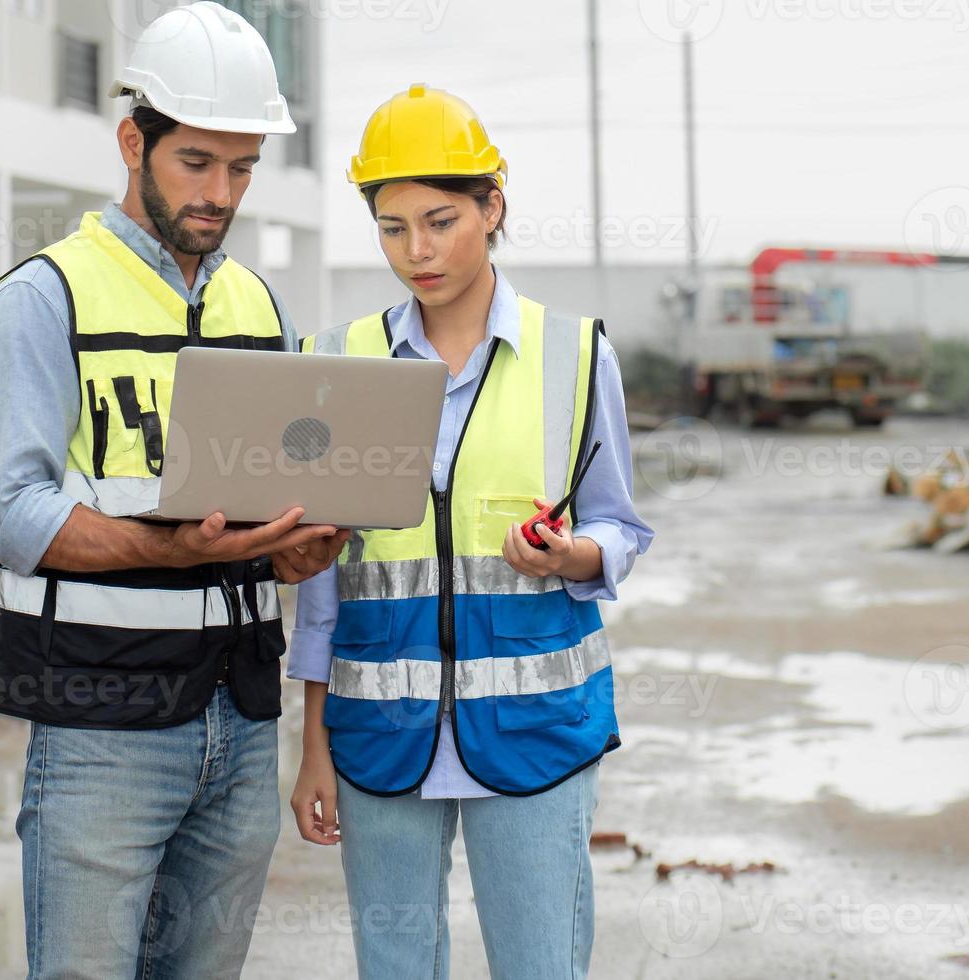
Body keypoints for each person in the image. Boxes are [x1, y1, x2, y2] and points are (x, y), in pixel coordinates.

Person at [0, 5, 349, 976]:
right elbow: (14, 516)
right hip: (98, 723)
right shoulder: (42, 300)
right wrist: (167, 548)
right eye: (198, 163)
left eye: (243, 167)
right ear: (134, 141)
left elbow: (272, 500)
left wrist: (296, 544)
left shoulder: (257, 307)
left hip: (238, 713)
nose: (222, 193)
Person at [289, 84, 654, 979]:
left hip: (537, 730)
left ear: (493, 207)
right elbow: (322, 584)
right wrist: (312, 747)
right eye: (392, 226)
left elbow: (619, 522)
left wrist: (575, 555)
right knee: (396, 965)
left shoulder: (574, 354)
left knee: (542, 965)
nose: (417, 251)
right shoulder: (338, 360)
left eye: (441, 220)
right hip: (380, 732)